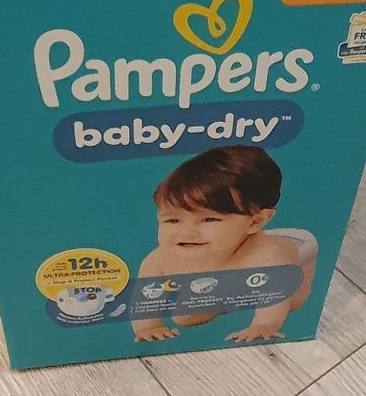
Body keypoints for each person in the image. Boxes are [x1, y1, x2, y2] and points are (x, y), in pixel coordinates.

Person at [132, 146, 317, 345]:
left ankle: (226, 295)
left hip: (297, 250)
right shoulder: (159, 260)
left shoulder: (268, 257)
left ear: (254, 222)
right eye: (173, 220)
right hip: (225, 272)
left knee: (294, 301)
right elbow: (145, 298)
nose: (187, 233)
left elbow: (275, 296)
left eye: (209, 219)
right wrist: (148, 327)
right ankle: (220, 297)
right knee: (183, 316)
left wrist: (264, 324)